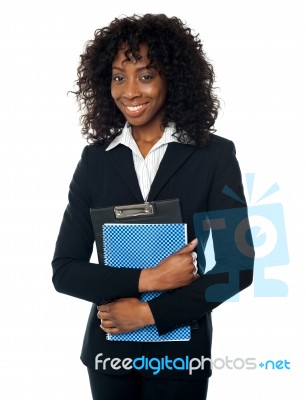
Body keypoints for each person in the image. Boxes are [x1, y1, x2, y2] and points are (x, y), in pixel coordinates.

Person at [52, 13, 254, 400]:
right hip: (110, 354)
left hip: (180, 358)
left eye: (145, 75)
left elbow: (237, 268)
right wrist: (148, 279)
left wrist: (149, 314)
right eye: (118, 76)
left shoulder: (214, 156)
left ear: (172, 79)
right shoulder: (96, 160)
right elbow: (65, 271)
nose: (129, 91)